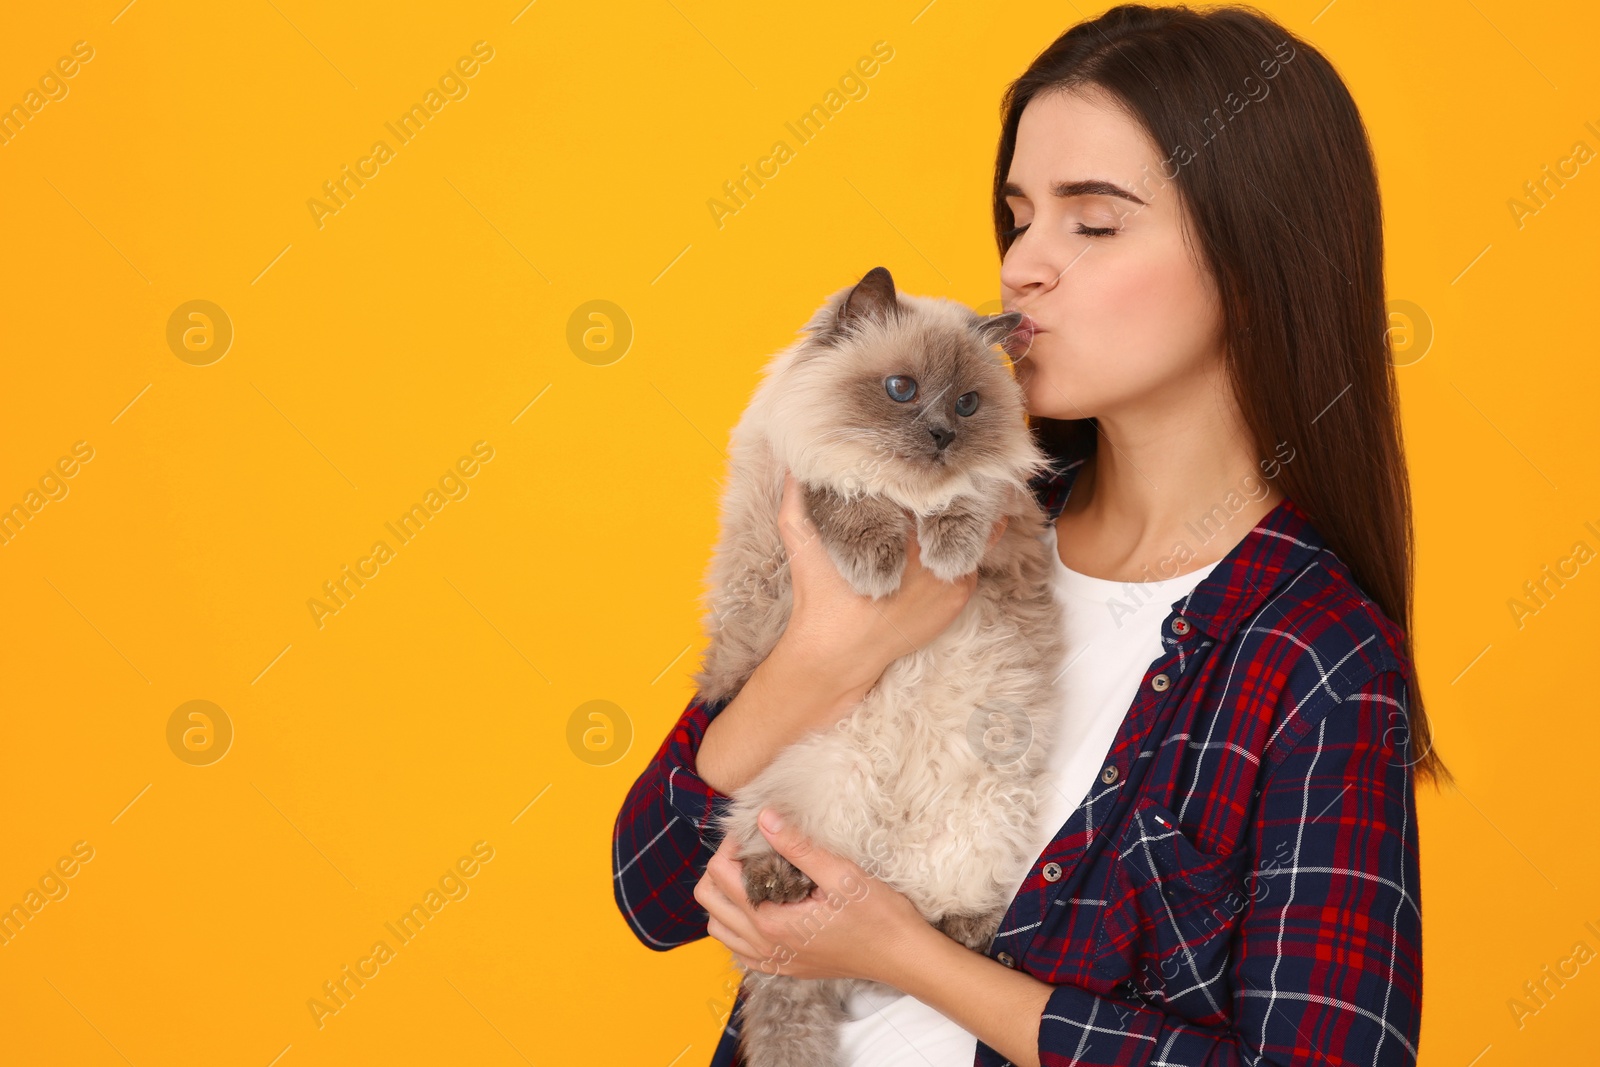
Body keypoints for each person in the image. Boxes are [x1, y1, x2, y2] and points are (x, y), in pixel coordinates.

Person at [612, 5, 1445, 1065]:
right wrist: (830, 650)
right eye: (1019, 216)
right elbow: (650, 891)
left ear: (1252, 256)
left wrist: (910, 954)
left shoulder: (1315, 657)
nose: (1021, 268)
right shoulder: (937, 528)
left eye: (1091, 223)